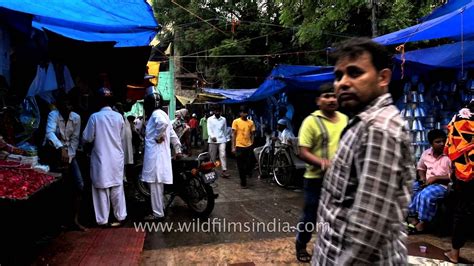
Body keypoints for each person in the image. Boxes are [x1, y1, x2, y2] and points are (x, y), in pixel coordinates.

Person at [313, 38, 415, 265]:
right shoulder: (362, 123)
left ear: (383, 78)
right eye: (339, 76)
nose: (343, 83)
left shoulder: (380, 130)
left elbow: (366, 234)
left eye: (355, 73)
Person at [295, 83, 348, 263]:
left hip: (341, 179)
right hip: (315, 179)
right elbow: (303, 151)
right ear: (318, 101)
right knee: (310, 215)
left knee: (339, 215)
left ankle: (333, 247)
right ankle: (301, 244)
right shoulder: (311, 121)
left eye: (334, 96)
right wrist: (324, 163)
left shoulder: (344, 120)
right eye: (326, 96)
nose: (331, 99)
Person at [82, 87, 127, 227]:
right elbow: (122, 137)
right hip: (116, 158)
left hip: (101, 159)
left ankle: (102, 220)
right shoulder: (119, 117)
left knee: (101, 189)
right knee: (117, 188)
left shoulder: (95, 117)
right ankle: (120, 217)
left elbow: (87, 138)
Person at [44, 92, 85, 231]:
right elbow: (49, 133)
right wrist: (61, 148)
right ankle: (57, 222)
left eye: (69, 105)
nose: (67, 107)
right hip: (53, 152)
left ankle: (75, 220)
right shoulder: (53, 115)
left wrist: (69, 157)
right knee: (57, 187)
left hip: (70, 154)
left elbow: (75, 139)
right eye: (64, 105)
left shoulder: (76, 118)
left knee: (79, 184)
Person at [141, 92, 182, 221]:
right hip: (161, 157)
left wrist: (158, 136)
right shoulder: (163, 113)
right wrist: (177, 148)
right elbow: (172, 134)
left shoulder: (156, 114)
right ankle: (160, 210)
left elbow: (163, 124)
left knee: (154, 186)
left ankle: (157, 214)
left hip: (155, 157)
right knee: (158, 187)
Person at [444, 101, 474, 264]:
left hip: (465, 174)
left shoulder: (459, 119)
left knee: (462, 212)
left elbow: (449, 147)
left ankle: (454, 254)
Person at [407, 129, 451, 234]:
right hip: (428, 182)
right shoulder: (426, 154)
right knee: (411, 188)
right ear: (431, 143)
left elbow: (453, 176)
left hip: (444, 185)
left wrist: (436, 178)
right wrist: (423, 178)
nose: (442, 144)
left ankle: (423, 223)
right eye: (438, 142)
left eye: (443, 141)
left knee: (426, 194)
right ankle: (413, 219)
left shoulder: (450, 155)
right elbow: (421, 168)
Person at [232, 105, 256, 188]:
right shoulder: (236, 121)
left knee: (248, 164)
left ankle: (247, 174)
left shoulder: (251, 122)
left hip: (248, 146)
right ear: (240, 113)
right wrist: (233, 146)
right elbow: (234, 135)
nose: (245, 114)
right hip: (239, 146)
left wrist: (252, 143)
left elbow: (253, 134)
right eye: (243, 113)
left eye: (246, 113)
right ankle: (243, 182)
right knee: (240, 165)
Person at [207, 106, 230, 178]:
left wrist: (227, 138)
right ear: (213, 112)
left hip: (222, 139)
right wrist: (212, 136)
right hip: (212, 140)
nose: (217, 112)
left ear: (220, 112)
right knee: (212, 156)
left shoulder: (223, 119)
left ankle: (224, 171)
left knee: (223, 155)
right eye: (216, 111)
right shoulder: (210, 119)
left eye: (218, 111)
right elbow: (209, 129)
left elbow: (225, 130)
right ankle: (211, 170)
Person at [115, 102, 134, 182]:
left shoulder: (124, 117)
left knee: (125, 161)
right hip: (121, 143)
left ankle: (124, 176)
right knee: (121, 161)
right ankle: (122, 176)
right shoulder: (117, 117)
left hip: (126, 143)